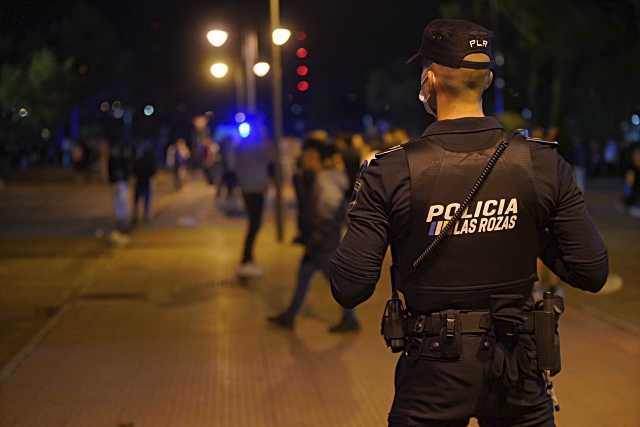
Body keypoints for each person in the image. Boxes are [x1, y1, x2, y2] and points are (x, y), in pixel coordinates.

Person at [329, 19, 608, 426]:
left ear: (428, 80)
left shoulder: (389, 171)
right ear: (489, 79)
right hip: (518, 364)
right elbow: (591, 270)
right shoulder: (543, 163)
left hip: (431, 370)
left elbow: (349, 287)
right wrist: (530, 226)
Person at [269, 141, 360, 333]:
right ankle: (290, 315)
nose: (304, 161)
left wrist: (319, 235)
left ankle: (350, 319)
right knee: (304, 277)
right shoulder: (317, 179)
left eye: (308, 158)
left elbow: (329, 212)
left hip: (323, 241)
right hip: (319, 240)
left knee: (334, 281)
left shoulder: (325, 181)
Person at [235, 119, 271, 278]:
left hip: (248, 189)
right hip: (255, 189)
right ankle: (246, 256)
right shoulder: (260, 148)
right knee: (255, 224)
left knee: (254, 223)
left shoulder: (241, 147)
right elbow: (270, 159)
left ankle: (248, 256)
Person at [132, 138, 158, 224]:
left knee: (140, 198)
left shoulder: (141, 157)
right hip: (144, 180)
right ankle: (142, 214)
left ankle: (140, 214)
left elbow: (135, 168)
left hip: (142, 179)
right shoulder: (146, 157)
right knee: (144, 198)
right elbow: (153, 169)